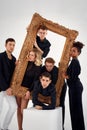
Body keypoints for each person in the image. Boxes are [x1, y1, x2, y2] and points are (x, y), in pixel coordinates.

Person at [16, 49, 42, 130]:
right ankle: (20, 128)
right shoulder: (26, 63)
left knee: (23, 110)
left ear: (35, 57)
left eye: (32, 55)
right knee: (18, 108)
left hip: (27, 89)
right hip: (19, 88)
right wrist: (17, 65)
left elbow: (35, 81)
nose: (30, 56)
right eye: (30, 54)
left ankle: (26, 127)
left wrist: (29, 91)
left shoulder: (38, 67)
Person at [63, 41, 85, 130]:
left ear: (78, 53)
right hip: (74, 87)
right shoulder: (73, 61)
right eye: (71, 50)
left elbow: (73, 77)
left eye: (74, 51)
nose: (72, 52)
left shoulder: (75, 62)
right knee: (75, 110)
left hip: (75, 88)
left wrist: (65, 76)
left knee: (76, 110)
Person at [41, 57, 67, 130]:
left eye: (50, 66)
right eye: (47, 66)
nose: (48, 68)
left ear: (53, 65)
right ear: (45, 65)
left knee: (61, 104)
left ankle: (61, 125)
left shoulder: (56, 70)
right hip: (48, 87)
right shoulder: (42, 69)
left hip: (61, 87)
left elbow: (54, 84)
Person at [0, 38, 17, 130]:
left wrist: (17, 67)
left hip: (8, 88)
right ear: (5, 45)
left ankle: (4, 127)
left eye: (13, 45)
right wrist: (6, 88)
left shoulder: (14, 59)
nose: (12, 47)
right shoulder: (0, 56)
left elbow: (13, 75)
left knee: (14, 106)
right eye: (10, 44)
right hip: (1, 87)